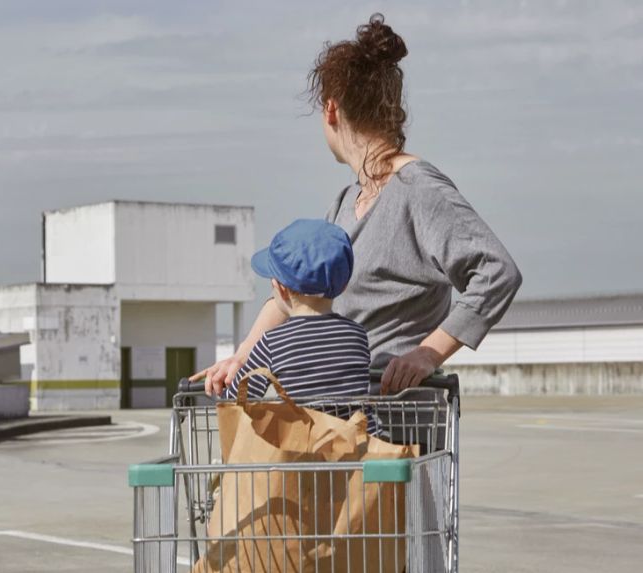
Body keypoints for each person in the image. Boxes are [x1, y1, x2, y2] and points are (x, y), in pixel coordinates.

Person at [195, 13, 522, 397]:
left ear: (331, 110)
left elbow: (497, 272)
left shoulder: (419, 190)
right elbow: (291, 297)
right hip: (339, 423)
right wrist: (242, 358)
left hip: (398, 423)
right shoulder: (345, 202)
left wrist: (428, 353)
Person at [219, 219, 383, 434]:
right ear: (343, 286)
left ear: (281, 289)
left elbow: (237, 402)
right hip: (358, 454)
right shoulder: (357, 335)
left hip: (304, 456)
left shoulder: (272, 342)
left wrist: (223, 388)